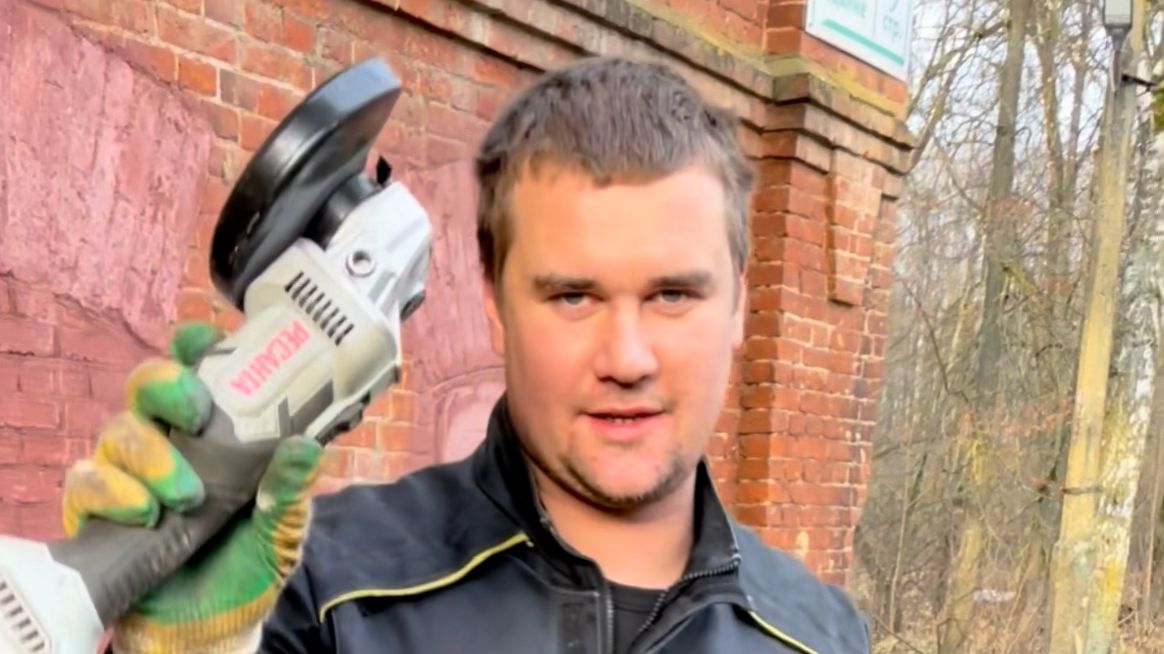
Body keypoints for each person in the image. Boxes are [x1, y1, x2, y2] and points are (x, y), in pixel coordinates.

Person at [64, 55, 871, 653]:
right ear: (494, 306)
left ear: (738, 304)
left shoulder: (823, 637)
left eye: (672, 295)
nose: (627, 358)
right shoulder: (320, 591)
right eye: (573, 296)